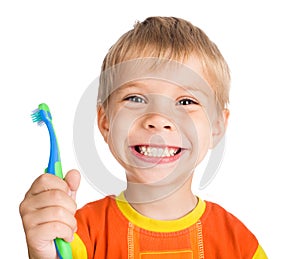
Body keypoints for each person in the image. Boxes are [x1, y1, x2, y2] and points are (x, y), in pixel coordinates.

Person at [19, 16, 268, 258]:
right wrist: (42, 253)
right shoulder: (75, 236)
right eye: (135, 99)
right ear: (105, 122)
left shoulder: (240, 245)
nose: (158, 118)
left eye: (186, 101)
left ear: (216, 127)